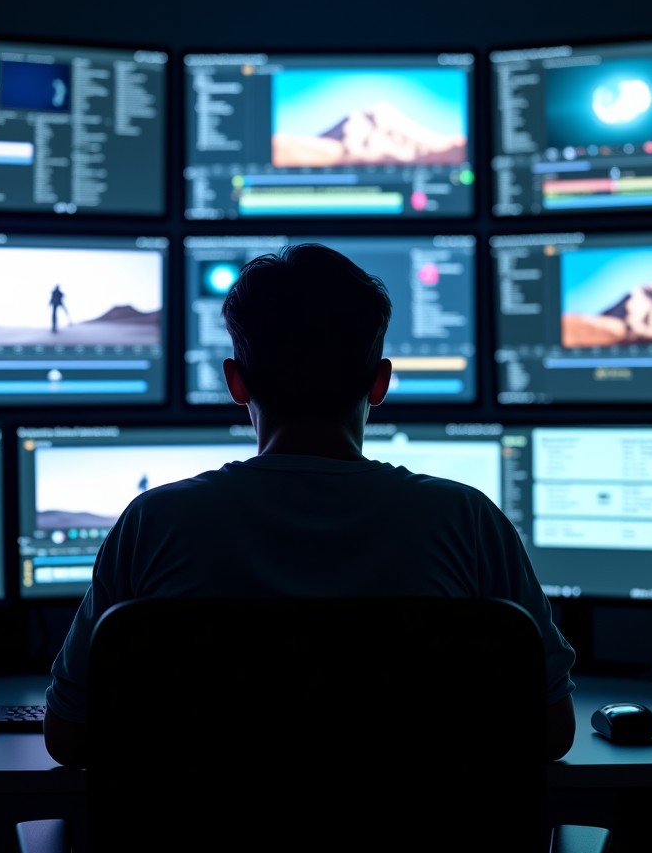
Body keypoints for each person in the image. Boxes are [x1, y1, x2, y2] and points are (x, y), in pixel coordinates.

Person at [43, 243, 577, 768]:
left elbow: (67, 737)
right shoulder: (467, 520)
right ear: (380, 383)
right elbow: (552, 729)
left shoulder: (153, 523)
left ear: (235, 383)